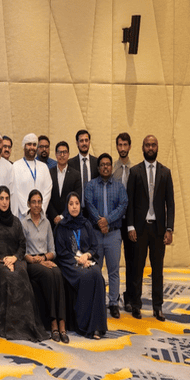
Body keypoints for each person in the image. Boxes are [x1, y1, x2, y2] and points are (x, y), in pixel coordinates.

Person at [0, 186, 47, 341]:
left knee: (21, 275)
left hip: (16, 260)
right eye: (1, 198)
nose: (4, 202)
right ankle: (10, 328)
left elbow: (22, 245)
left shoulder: (15, 222)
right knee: (9, 277)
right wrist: (4, 260)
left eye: (7, 198)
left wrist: (13, 258)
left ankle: (27, 326)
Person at [126, 135, 175, 321]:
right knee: (137, 269)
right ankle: (136, 305)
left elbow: (170, 204)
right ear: (142, 147)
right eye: (147, 145)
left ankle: (157, 307)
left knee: (158, 270)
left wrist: (169, 229)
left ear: (157, 147)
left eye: (153, 145)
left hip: (158, 230)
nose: (150, 148)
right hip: (139, 229)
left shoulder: (166, 172)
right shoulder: (135, 172)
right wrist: (130, 226)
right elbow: (130, 202)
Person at [54, 192, 107, 338]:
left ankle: (97, 326)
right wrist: (77, 259)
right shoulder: (61, 226)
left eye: (77, 203)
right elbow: (61, 251)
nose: (74, 207)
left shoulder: (86, 224)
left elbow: (94, 246)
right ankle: (83, 325)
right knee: (87, 276)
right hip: (69, 264)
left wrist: (87, 256)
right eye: (71, 204)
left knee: (97, 275)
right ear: (67, 206)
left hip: (87, 260)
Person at [84, 153, 127, 319]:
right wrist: (100, 222)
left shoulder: (119, 186)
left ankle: (114, 303)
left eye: (108, 164)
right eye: (102, 165)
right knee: (95, 270)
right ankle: (98, 301)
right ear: (98, 167)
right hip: (95, 234)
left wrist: (107, 221)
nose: (105, 167)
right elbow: (89, 204)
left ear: (111, 166)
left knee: (113, 270)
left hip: (113, 234)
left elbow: (123, 205)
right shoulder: (91, 185)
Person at [22, 189, 68, 343]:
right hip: (31, 264)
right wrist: (38, 261)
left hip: (44, 258)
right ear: (28, 204)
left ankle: (62, 322)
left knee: (57, 273)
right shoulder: (24, 223)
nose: (36, 205)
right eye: (33, 202)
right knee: (48, 274)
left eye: (39, 202)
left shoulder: (47, 223)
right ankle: (53, 323)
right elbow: (23, 253)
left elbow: (53, 251)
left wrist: (43, 258)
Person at [112, 132, 135, 312]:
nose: (122, 148)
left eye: (125, 145)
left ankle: (129, 297)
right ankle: (114, 297)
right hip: (115, 222)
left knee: (131, 261)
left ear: (129, 146)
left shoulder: (136, 170)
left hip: (131, 222)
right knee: (113, 262)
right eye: (119, 145)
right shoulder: (112, 169)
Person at [12, 133, 52, 219]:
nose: (32, 147)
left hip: (40, 216)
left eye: (34, 145)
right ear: (24, 146)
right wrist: (28, 211)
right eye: (29, 144)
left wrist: (40, 209)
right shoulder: (16, 166)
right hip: (23, 216)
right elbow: (16, 191)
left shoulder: (43, 167)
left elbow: (48, 189)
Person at [47, 141, 82, 228]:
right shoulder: (49, 173)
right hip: (52, 220)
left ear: (68, 154)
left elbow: (77, 197)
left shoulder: (76, 175)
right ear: (56, 154)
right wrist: (55, 216)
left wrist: (62, 216)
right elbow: (47, 196)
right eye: (59, 152)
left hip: (70, 219)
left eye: (64, 152)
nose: (62, 155)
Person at [68, 129, 99, 206]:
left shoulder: (97, 162)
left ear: (89, 142)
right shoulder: (70, 164)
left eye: (86, 140)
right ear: (77, 143)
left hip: (94, 207)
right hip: (76, 207)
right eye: (81, 141)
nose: (84, 143)